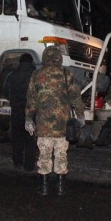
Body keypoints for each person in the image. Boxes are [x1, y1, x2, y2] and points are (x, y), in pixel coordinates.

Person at [25, 46, 84, 196]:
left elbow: (31, 100)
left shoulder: (36, 75)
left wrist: (28, 119)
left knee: (44, 154)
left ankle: (44, 188)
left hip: (43, 125)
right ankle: (60, 187)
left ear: (45, 58)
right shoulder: (67, 74)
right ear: (59, 58)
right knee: (61, 154)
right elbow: (76, 98)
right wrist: (80, 116)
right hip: (62, 125)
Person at [5, 54, 38, 171]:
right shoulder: (36, 76)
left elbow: (6, 92)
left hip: (16, 111)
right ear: (31, 61)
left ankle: (17, 162)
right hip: (30, 113)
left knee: (17, 138)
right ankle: (29, 166)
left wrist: (13, 101)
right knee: (30, 140)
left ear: (20, 62)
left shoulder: (12, 75)